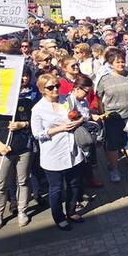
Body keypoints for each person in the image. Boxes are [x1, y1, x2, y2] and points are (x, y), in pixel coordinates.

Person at [31, 74, 85, 231]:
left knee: (74, 184)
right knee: (56, 188)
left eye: (57, 86)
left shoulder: (68, 100)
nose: (55, 89)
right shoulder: (38, 109)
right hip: (53, 153)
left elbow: (85, 113)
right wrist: (60, 128)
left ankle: (71, 211)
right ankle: (59, 217)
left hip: (73, 150)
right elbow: (37, 133)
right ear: (42, 90)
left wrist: (79, 120)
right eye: (50, 87)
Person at [0, 88, 35, 230]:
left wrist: (23, 124)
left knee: (23, 181)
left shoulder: (25, 103)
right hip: (1, 152)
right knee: (0, 184)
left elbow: (34, 122)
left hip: (23, 149)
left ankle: (22, 211)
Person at [96, 47, 128, 182]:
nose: (121, 64)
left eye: (122, 62)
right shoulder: (104, 79)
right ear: (110, 64)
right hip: (112, 117)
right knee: (113, 145)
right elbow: (98, 96)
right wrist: (102, 113)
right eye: (117, 62)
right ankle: (114, 169)